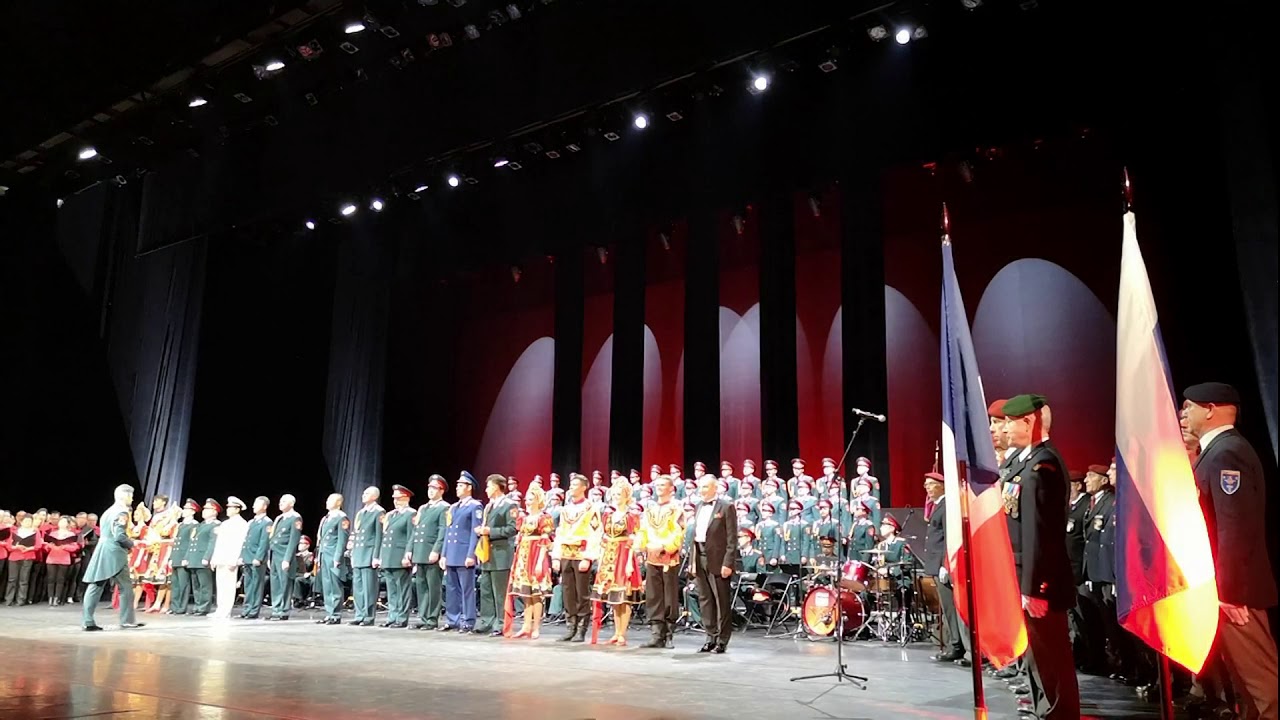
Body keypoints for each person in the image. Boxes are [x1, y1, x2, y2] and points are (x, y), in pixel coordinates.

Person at [1181, 382, 1278, 720]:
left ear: (1209, 409)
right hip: (1224, 590)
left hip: (1237, 594)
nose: (1184, 414)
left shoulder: (1227, 453)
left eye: (1188, 406)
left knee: (1263, 688)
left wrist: (1230, 592)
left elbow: (1234, 527)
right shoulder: (1217, 451)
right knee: (1246, 688)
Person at [1001, 394, 1080, 718]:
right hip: (1024, 571)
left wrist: (1036, 586)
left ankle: (1059, 712)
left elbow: (1040, 533)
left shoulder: (1042, 464)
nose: (1005, 427)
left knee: (1051, 654)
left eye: (1010, 421)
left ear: (1028, 421)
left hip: (1040, 577)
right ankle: (1044, 707)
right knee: (1037, 653)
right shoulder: (1024, 461)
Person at [81, 484, 143, 631]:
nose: (132, 498)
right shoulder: (122, 511)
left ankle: (87, 621)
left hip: (102, 550)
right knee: (126, 587)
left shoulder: (108, 511)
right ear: (125, 495)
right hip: (115, 553)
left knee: (96, 585)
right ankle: (127, 620)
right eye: (131, 495)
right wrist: (132, 544)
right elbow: (119, 535)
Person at [590, 479, 643, 645]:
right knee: (613, 595)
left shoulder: (631, 516)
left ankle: (622, 632)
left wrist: (629, 562)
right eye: (614, 494)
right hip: (610, 555)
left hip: (624, 555)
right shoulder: (608, 515)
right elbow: (604, 537)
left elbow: (633, 539)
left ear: (626, 496)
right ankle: (615, 631)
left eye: (619, 494)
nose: (616, 497)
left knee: (623, 595)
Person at [690, 474, 738, 653]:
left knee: (721, 600)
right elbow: (694, 537)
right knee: (705, 599)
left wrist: (728, 563)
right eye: (700, 487)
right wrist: (692, 562)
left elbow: (732, 538)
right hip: (700, 555)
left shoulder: (726, 507)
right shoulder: (698, 507)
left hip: (718, 559)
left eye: (705, 487)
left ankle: (722, 639)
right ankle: (710, 636)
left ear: (714, 488)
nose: (701, 491)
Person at [553, 472, 603, 643]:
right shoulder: (565, 509)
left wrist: (588, 557)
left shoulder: (591, 508)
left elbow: (595, 533)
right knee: (568, 591)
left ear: (584, 487)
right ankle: (570, 626)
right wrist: (556, 556)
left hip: (581, 553)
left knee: (582, 592)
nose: (571, 487)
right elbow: (560, 532)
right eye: (571, 484)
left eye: (575, 485)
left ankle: (582, 627)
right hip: (566, 553)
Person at [637, 474, 684, 649]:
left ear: (671, 489)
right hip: (652, 557)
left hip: (668, 558)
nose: (659, 487)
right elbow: (643, 530)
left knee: (669, 597)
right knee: (653, 595)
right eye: (657, 484)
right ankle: (656, 633)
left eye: (663, 485)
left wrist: (664, 546)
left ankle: (669, 633)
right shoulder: (650, 509)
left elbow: (678, 532)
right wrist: (642, 546)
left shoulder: (676, 509)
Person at [507, 485, 555, 639]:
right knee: (526, 593)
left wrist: (541, 561)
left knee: (536, 594)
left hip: (536, 555)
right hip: (524, 556)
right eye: (526, 499)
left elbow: (545, 540)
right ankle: (526, 626)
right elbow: (520, 539)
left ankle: (536, 627)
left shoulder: (544, 518)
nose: (527, 502)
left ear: (538, 500)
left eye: (530, 499)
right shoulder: (523, 518)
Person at [442, 471, 484, 633]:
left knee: (467, 589)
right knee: (452, 589)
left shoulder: (475, 506)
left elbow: (475, 532)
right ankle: (453, 619)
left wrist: (471, 554)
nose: (457, 488)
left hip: (464, 553)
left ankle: (468, 619)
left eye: (461, 485)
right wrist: (444, 554)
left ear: (469, 487)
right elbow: (448, 532)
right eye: (458, 485)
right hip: (452, 553)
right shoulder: (454, 507)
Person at [476, 474, 517, 637]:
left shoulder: (509, 504)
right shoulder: (488, 506)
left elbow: (512, 528)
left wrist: (490, 531)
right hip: (487, 554)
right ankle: (487, 621)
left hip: (501, 554)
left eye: (488, 486)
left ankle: (501, 623)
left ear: (496, 487)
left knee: (499, 592)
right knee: (485, 589)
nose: (486, 490)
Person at [408, 476, 448, 630]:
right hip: (420, 551)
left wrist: (436, 550)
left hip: (431, 552)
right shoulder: (423, 508)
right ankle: (423, 617)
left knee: (433, 587)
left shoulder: (444, 507)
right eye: (429, 488)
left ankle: (432, 618)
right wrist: (409, 550)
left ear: (441, 490)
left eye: (435, 488)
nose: (431, 491)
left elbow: (442, 531)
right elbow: (416, 531)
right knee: (421, 587)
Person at [378, 485, 415, 628]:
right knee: (391, 589)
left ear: (406, 498)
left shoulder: (410, 514)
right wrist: (381, 555)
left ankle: (401, 617)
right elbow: (385, 537)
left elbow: (411, 536)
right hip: (388, 555)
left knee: (402, 589)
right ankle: (392, 616)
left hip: (400, 555)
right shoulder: (391, 515)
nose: (396, 501)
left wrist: (408, 554)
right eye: (394, 498)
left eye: (399, 498)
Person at [349, 486, 385, 627]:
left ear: (375, 496)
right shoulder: (361, 513)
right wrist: (353, 553)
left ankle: (368, 616)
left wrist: (376, 556)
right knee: (358, 587)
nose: (363, 495)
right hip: (359, 553)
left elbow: (378, 536)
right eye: (363, 493)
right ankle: (359, 615)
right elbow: (357, 534)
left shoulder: (378, 512)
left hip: (369, 554)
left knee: (369, 587)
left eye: (367, 493)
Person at [314, 493, 350, 625]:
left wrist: (337, 557)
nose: (327, 502)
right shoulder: (326, 518)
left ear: (338, 502)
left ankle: (336, 614)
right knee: (327, 585)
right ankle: (329, 612)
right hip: (324, 554)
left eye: (330, 500)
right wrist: (318, 556)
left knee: (334, 585)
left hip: (333, 555)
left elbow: (342, 539)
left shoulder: (341, 517)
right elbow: (321, 540)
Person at [210, 496, 248, 620]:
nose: (228, 509)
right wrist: (214, 558)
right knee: (220, 585)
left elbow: (239, 543)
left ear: (237, 509)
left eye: (230, 507)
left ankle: (226, 610)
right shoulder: (225, 523)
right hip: (221, 558)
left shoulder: (241, 524)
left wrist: (235, 559)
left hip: (230, 558)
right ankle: (220, 609)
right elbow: (219, 543)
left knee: (228, 586)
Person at [266, 494, 302, 621]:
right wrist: (270, 557)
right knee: (275, 583)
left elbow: (293, 540)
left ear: (291, 504)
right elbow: (273, 538)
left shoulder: (295, 518)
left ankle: (284, 610)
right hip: (275, 554)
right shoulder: (279, 518)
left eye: (284, 501)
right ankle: (276, 609)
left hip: (284, 554)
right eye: (280, 501)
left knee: (285, 583)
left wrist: (287, 558)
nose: (280, 503)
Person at [237, 497, 271, 619]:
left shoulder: (267, 522)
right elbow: (246, 541)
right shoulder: (251, 522)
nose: (253, 506)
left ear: (264, 506)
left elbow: (264, 542)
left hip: (256, 558)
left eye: (257, 504)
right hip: (247, 557)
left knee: (256, 585)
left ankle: (253, 610)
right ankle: (246, 608)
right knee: (248, 585)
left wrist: (259, 557)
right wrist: (242, 555)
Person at [190, 499, 221, 616]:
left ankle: (204, 607)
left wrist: (207, 557)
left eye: (207, 509)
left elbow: (212, 542)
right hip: (195, 558)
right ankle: (197, 605)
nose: (204, 511)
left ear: (214, 511)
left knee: (205, 585)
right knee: (196, 585)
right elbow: (193, 541)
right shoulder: (201, 525)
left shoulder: (216, 525)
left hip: (203, 558)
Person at [168, 499, 200, 615]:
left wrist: (187, 557)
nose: (184, 511)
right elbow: (176, 542)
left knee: (183, 584)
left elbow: (192, 542)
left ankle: (181, 607)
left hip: (183, 557)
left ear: (192, 511)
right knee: (175, 584)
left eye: (186, 509)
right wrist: (171, 558)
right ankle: (174, 606)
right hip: (176, 556)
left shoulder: (194, 525)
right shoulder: (181, 525)